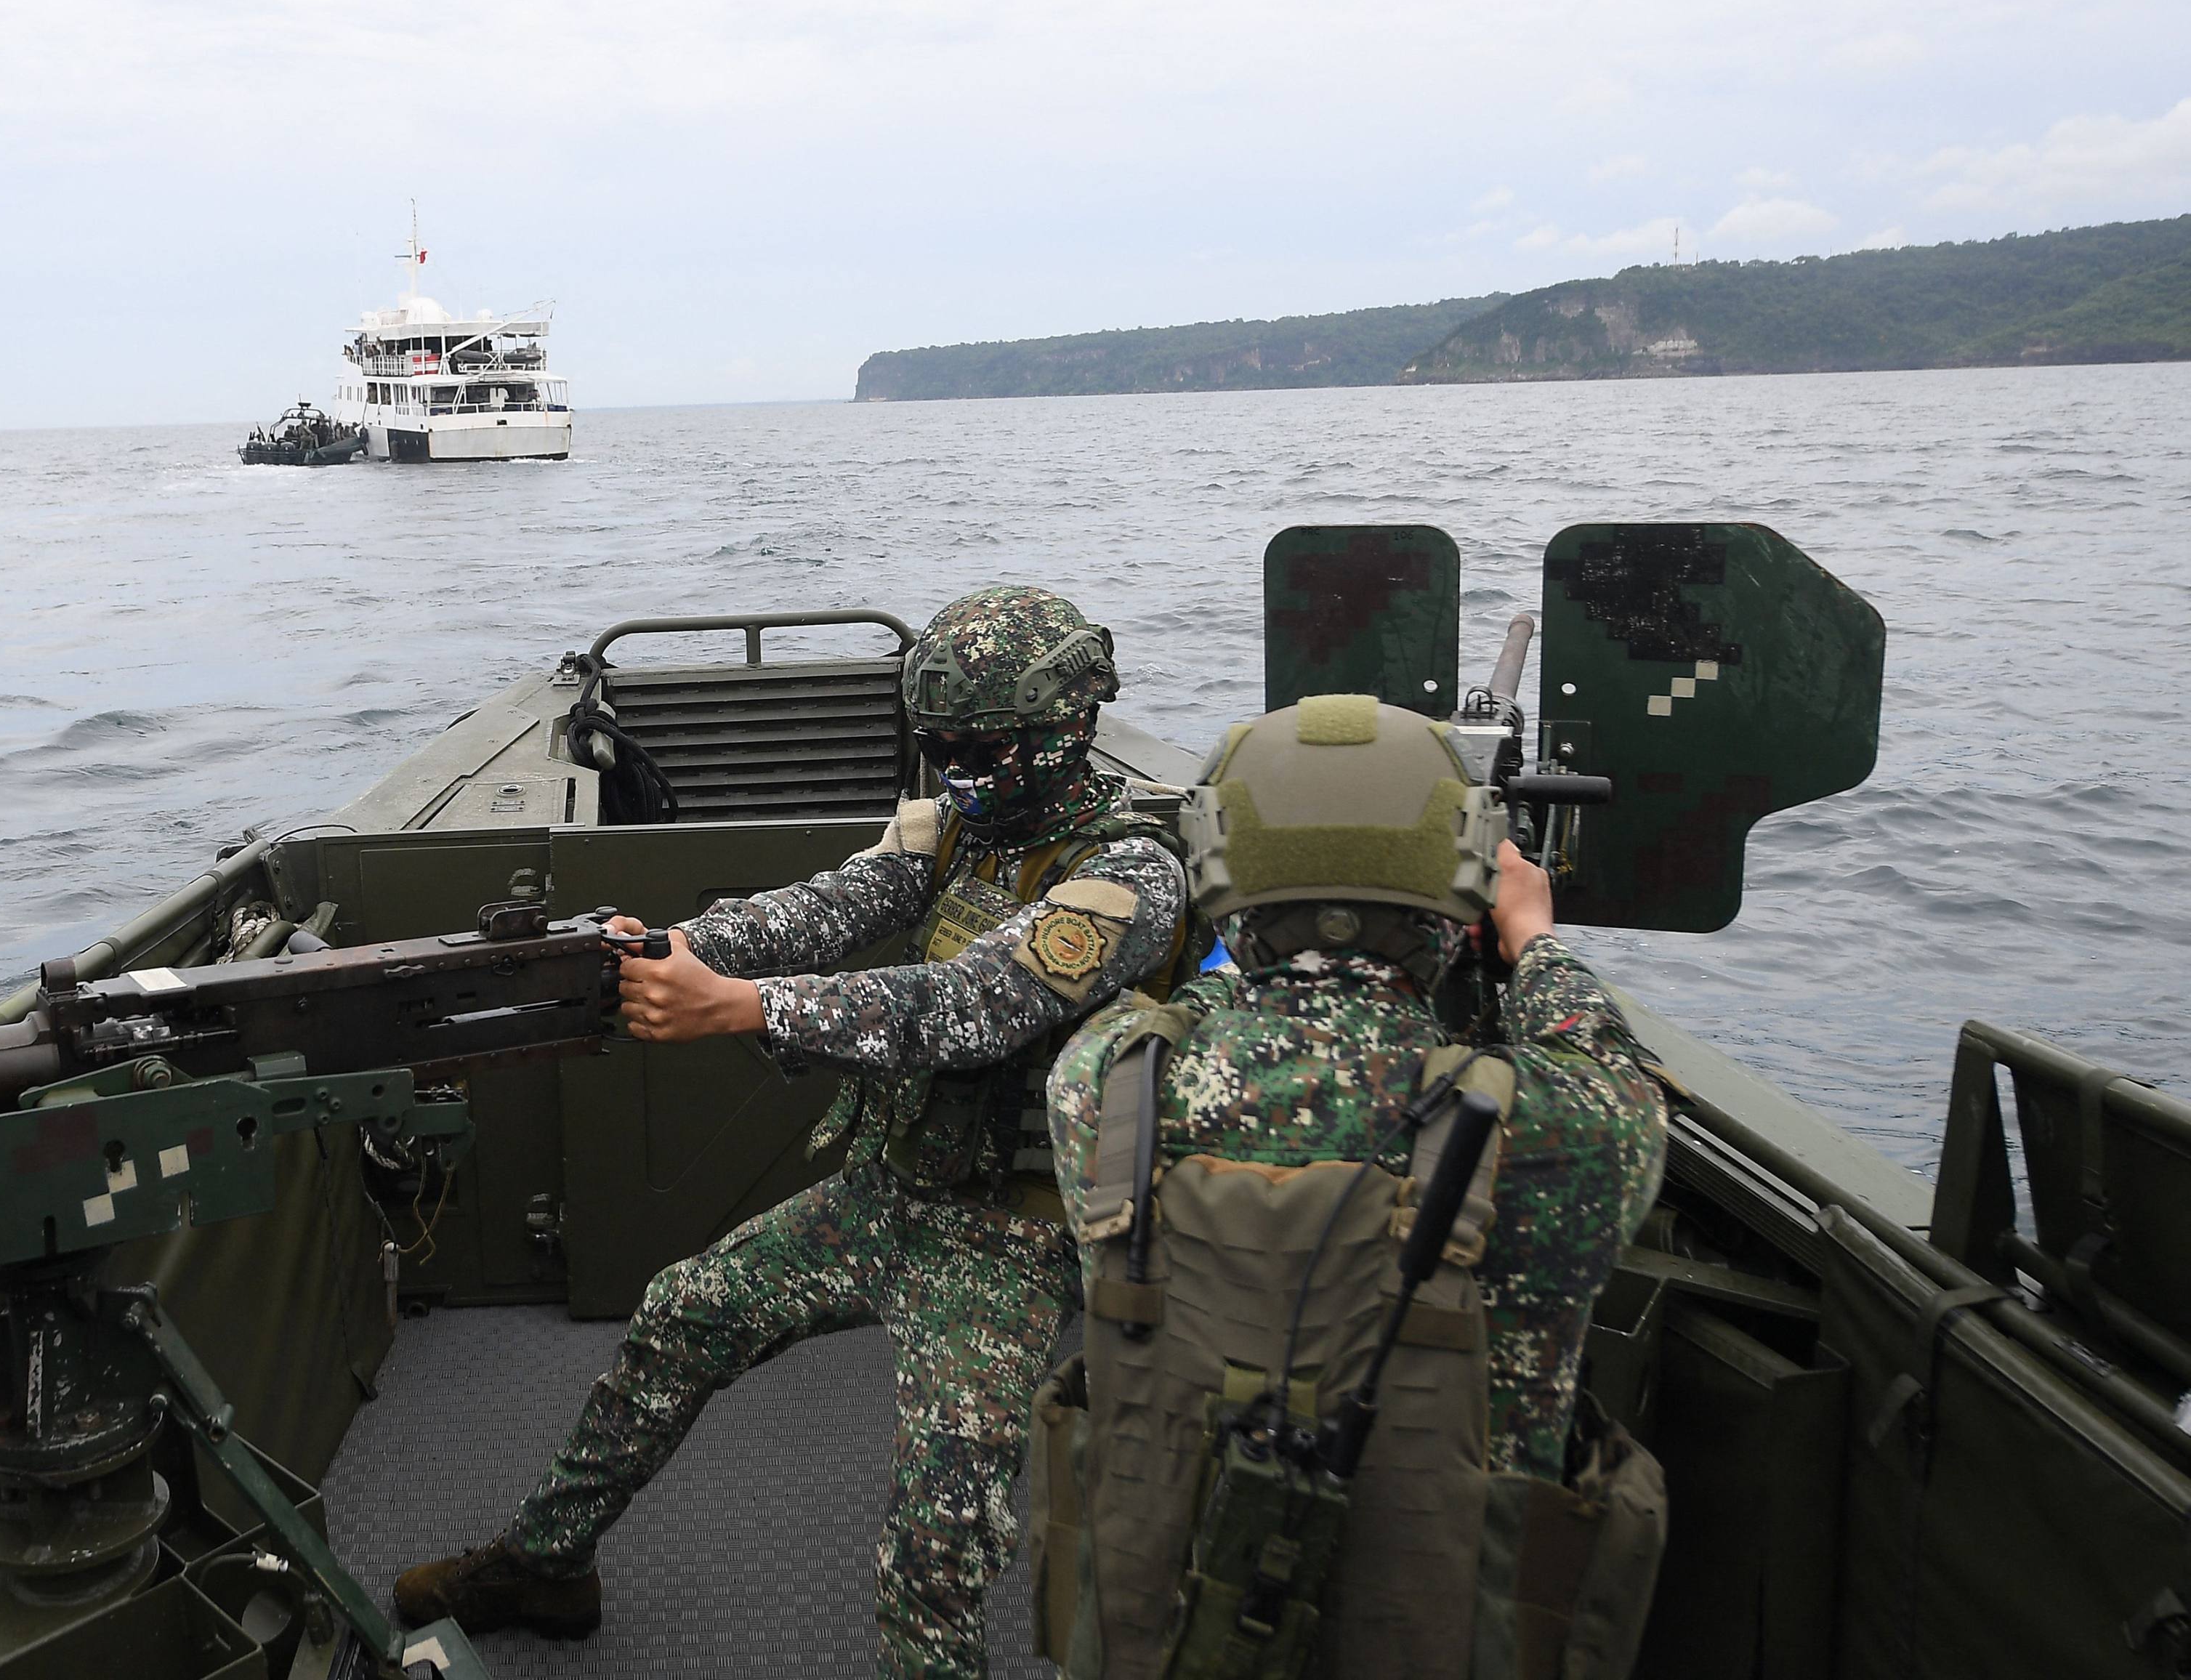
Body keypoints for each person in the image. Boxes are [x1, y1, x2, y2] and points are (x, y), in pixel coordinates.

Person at [394, 585, 1190, 1680]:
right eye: (940, 748)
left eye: (981, 752)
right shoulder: (961, 824)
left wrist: (747, 1007)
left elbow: (969, 1006)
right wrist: (683, 942)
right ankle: (547, 1564)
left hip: (1009, 1241)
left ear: (1071, 729)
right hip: (891, 1191)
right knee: (681, 1315)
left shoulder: (1131, 875)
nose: (957, 772)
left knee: (935, 1545)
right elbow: (832, 903)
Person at [1039, 695, 1670, 1680]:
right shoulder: (1571, 1129)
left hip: (1170, 1641)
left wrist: (1239, 951)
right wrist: (1533, 941)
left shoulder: (1105, 1085)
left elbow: (1196, 999)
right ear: (1457, 893)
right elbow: (1607, 1062)